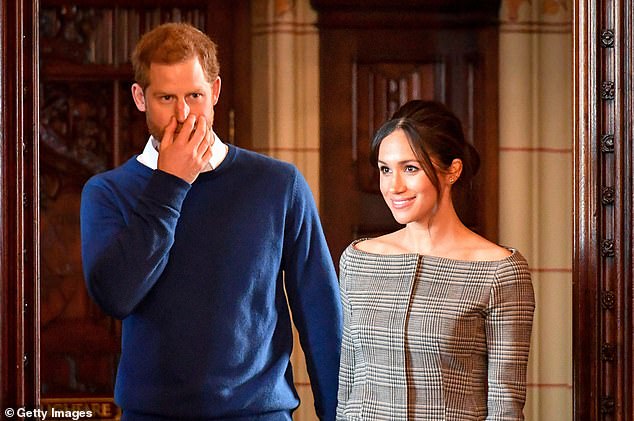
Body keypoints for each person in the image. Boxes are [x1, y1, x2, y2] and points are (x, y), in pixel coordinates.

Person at [80, 22, 342, 421]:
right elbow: (115, 296)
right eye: (166, 97)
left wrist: (339, 414)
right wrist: (170, 183)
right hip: (152, 415)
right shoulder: (107, 192)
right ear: (140, 98)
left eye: (195, 96)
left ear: (215, 92)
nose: (182, 114)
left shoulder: (278, 183)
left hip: (259, 413)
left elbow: (321, 311)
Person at [336, 100, 535, 420]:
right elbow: (348, 386)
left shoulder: (499, 272)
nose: (393, 186)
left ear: (452, 170)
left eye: (410, 168)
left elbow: (505, 408)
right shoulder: (358, 261)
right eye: (385, 169)